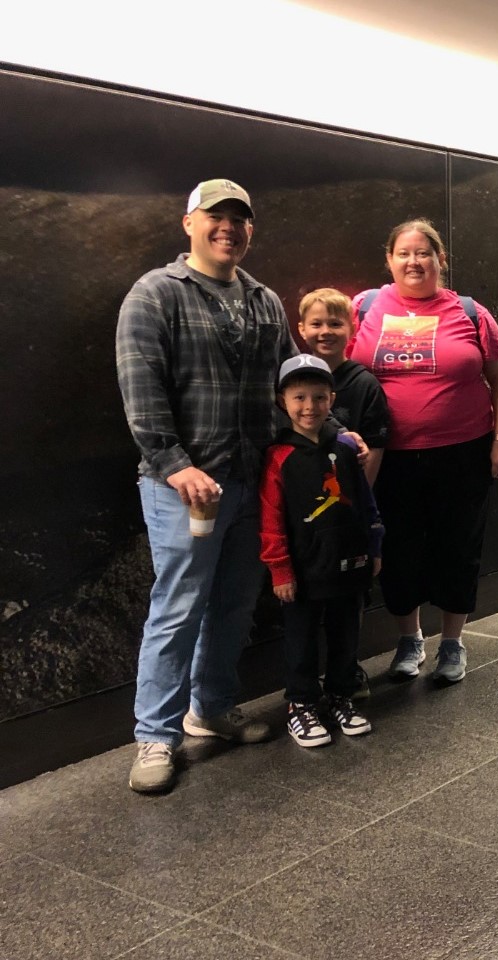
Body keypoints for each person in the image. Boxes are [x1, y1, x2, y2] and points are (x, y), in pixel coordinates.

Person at [116, 179, 289, 793]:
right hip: (183, 490)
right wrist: (174, 463)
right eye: (216, 216)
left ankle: (210, 709)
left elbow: (287, 381)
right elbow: (141, 388)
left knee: (235, 603)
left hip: (250, 482)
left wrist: (332, 431)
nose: (228, 228)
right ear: (189, 222)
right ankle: (155, 736)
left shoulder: (265, 301)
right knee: (179, 608)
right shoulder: (155, 294)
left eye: (240, 219)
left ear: (250, 230)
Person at [347, 219, 498, 685]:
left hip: (461, 454)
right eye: (403, 253)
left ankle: (452, 642)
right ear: (389, 260)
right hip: (387, 457)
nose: (414, 261)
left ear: (440, 259)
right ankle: (409, 639)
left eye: (423, 253)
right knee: (397, 547)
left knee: (457, 547)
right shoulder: (363, 307)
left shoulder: (470, 312)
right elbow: (336, 370)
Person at [260, 355, 384, 747]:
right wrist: (280, 569)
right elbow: (271, 518)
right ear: (282, 401)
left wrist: (374, 547)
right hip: (303, 570)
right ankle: (301, 705)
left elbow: (365, 502)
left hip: (350, 562)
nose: (309, 406)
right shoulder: (278, 456)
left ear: (332, 399)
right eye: (299, 397)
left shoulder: (348, 447)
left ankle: (341, 695)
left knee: (346, 634)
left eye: (318, 397)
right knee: (301, 640)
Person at [296, 287, 390, 698]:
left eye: (335, 323)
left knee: (349, 596)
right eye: (316, 323)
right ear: (301, 329)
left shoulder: (364, 383)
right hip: (303, 518)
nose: (325, 331)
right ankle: (302, 685)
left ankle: (346, 672)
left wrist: (354, 508)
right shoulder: (290, 379)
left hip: (348, 515)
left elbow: (375, 449)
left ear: (352, 328)